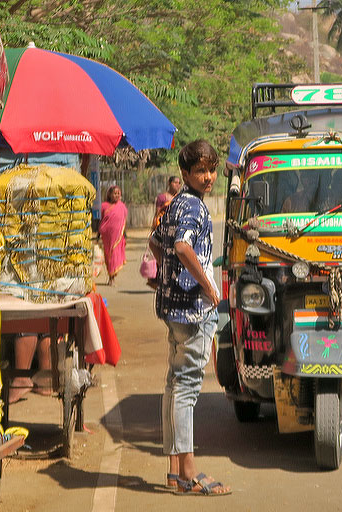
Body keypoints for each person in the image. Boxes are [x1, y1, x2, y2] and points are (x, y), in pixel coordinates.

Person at [149, 139, 231, 496]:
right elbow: (181, 246)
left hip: (172, 308)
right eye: (200, 170)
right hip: (193, 311)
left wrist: (169, 272)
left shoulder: (174, 205)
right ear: (185, 173)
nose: (208, 176)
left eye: (211, 169)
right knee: (186, 390)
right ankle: (189, 474)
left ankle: (173, 469)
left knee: (174, 385)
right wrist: (208, 287)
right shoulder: (194, 208)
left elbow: (157, 242)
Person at [100, 185, 128, 286]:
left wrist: (124, 234)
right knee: (108, 256)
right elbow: (101, 220)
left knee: (115, 255)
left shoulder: (122, 207)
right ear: (110, 195)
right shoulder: (104, 206)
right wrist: (99, 235)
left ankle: (112, 277)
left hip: (118, 237)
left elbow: (124, 221)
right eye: (115, 193)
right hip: (107, 236)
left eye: (118, 193)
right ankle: (110, 275)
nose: (117, 195)